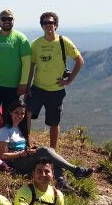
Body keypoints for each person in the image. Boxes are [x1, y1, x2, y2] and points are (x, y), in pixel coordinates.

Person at [0, 101, 93, 191]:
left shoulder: (20, 128)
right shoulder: (5, 131)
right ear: (10, 113)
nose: (19, 116)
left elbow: (22, 148)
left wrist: (28, 151)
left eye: (22, 113)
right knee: (45, 151)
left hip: (25, 158)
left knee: (50, 155)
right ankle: (76, 170)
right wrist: (21, 154)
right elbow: (3, 155)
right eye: (16, 113)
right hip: (16, 164)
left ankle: (61, 182)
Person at [27, 12, 84, 150]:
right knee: (26, 114)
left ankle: (53, 150)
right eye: (45, 23)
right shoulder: (35, 44)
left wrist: (69, 80)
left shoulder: (64, 42)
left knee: (54, 122)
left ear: (56, 25)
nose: (48, 25)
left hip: (56, 90)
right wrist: (27, 86)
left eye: (51, 22)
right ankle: (26, 144)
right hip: (37, 87)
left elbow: (79, 60)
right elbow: (31, 65)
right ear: (42, 26)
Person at [0, 9, 31, 130]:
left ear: (13, 21)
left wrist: (23, 83)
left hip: (12, 87)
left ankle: (7, 143)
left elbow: (26, 63)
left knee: (9, 118)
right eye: (4, 19)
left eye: (10, 19)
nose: (7, 21)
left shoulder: (21, 38)